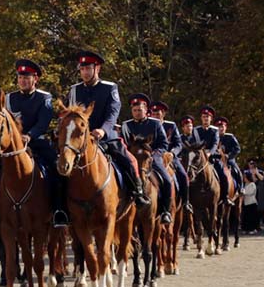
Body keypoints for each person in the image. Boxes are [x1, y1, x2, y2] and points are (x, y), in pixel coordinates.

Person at [65, 50, 150, 206]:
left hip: (104, 137)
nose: (84, 72)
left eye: (88, 68)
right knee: (61, 163)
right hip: (78, 139)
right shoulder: (74, 90)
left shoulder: (109, 88)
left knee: (129, 160)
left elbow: (112, 113)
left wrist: (103, 130)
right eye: (82, 69)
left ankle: (138, 193)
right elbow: (67, 114)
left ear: (97, 69)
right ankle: (61, 206)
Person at [5, 58, 69, 227]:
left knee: (57, 170)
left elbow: (43, 122)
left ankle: (58, 210)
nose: (23, 81)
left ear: (35, 79)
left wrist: (30, 135)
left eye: (27, 77)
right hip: (13, 146)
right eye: (20, 77)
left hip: (37, 142)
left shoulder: (44, 97)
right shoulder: (9, 98)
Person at [121, 94, 174, 224]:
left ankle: (165, 211)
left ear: (146, 110)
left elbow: (163, 143)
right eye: (134, 111)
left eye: (140, 110)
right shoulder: (126, 125)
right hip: (132, 159)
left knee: (167, 180)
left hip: (152, 158)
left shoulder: (155, 124)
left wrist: (155, 155)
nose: (137, 113)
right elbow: (123, 143)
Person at [149, 100, 192, 213]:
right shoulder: (149, 124)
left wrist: (172, 153)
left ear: (163, 114)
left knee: (183, 175)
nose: (155, 116)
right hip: (151, 156)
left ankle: (185, 202)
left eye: (158, 114)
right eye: (153, 114)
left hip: (169, 156)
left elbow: (178, 144)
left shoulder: (171, 126)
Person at [190, 106, 232, 203]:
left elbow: (215, 144)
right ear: (201, 118)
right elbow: (193, 144)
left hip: (212, 157)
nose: (206, 118)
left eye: (208, 117)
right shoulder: (196, 130)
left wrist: (209, 153)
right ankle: (187, 200)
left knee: (222, 174)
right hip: (199, 157)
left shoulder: (215, 130)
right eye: (204, 116)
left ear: (211, 118)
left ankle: (225, 197)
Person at [215, 117, 242, 194]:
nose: (220, 129)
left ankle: (240, 187)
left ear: (225, 127)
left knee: (237, 171)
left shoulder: (230, 137)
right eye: (218, 127)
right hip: (217, 160)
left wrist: (229, 156)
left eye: (222, 127)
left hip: (229, 159)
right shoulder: (214, 137)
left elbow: (237, 149)